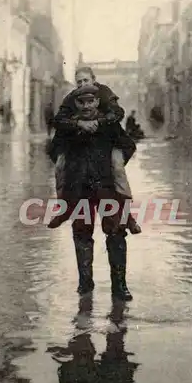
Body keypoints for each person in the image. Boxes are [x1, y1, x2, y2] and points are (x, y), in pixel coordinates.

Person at [48, 84, 136, 301]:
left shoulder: (109, 124)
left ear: (98, 102)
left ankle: (120, 287)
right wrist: (69, 165)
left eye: (91, 101)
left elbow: (128, 145)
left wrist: (115, 162)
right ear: (75, 104)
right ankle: (85, 284)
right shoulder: (67, 126)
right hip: (79, 189)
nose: (86, 106)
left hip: (106, 188)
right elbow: (53, 150)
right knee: (82, 233)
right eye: (81, 102)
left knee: (116, 233)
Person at [48, 66, 141, 235]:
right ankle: (63, 208)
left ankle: (128, 215)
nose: (83, 85)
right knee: (60, 166)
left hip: (111, 141)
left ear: (93, 80)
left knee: (117, 168)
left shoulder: (104, 92)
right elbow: (59, 119)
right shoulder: (71, 98)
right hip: (79, 148)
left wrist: (100, 122)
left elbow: (118, 112)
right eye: (79, 82)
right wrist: (78, 123)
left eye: (86, 80)